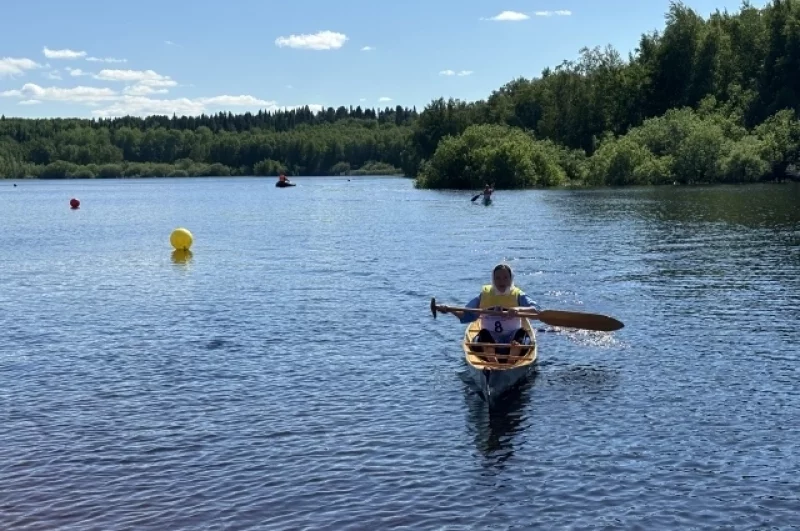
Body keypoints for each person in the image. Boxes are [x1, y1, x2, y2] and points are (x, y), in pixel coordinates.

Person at [440, 263, 539, 362]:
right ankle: (491, 356)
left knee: (522, 333)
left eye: (505, 278)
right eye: (498, 278)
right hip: (489, 339)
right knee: (483, 334)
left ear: (511, 279)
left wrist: (519, 309)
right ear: (493, 279)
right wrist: (450, 309)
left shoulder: (518, 295)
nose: (502, 281)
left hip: (513, 338)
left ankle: (512, 356)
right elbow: (466, 315)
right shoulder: (484, 295)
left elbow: (536, 310)